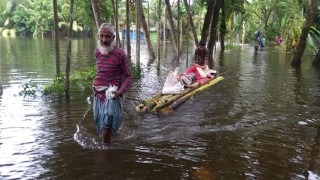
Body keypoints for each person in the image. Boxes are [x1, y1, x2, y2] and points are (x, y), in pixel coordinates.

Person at [92, 23, 133, 145]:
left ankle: (105, 158)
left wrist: (120, 92)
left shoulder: (120, 54)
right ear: (98, 36)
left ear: (113, 38)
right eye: (102, 36)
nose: (104, 39)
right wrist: (95, 85)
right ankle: (109, 145)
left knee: (105, 131)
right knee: (101, 127)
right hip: (98, 95)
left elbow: (128, 76)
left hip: (112, 94)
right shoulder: (97, 52)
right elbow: (100, 72)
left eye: (107, 36)